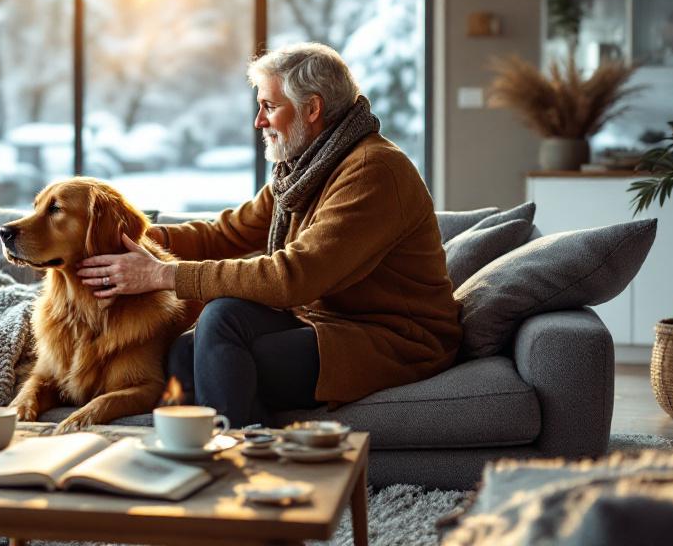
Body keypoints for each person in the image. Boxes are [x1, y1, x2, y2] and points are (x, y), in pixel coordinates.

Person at [77, 43, 461, 427]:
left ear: (312, 108)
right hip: (326, 323)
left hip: (395, 339)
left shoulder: (371, 170)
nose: (258, 121)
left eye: (269, 106)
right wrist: (130, 237)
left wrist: (162, 274)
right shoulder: (304, 169)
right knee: (187, 350)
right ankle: (248, 446)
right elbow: (227, 232)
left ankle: (235, 456)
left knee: (220, 339)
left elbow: (292, 277)